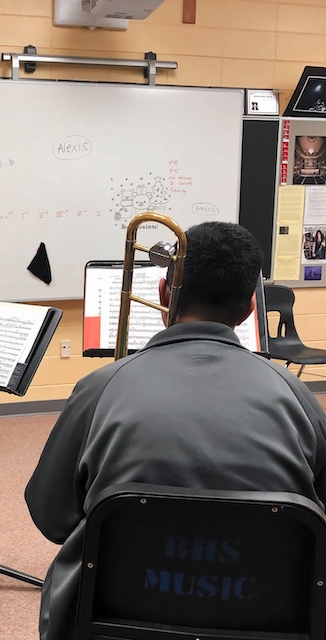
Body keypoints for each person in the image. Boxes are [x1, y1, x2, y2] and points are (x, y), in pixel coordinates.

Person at [25, 221, 326, 640]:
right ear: (248, 311)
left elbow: (51, 516)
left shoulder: (99, 388)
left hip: (112, 623)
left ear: (166, 293)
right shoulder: (298, 397)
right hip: (264, 624)